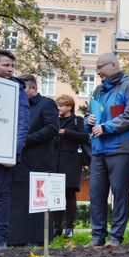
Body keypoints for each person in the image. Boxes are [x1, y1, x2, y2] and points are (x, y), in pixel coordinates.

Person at [85, 53, 129, 248]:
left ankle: (115, 238)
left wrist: (106, 127)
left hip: (120, 149)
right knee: (96, 194)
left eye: (100, 67)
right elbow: (90, 113)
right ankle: (97, 237)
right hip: (98, 149)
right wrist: (89, 120)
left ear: (113, 65)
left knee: (119, 194)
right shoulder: (98, 90)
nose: (98, 73)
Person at [10, 74, 59, 245]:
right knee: (19, 199)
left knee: (40, 202)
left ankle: (39, 239)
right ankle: (17, 238)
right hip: (21, 161)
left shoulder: (47, 104)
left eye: (22, 89)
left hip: (40, 161)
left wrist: (25, 139)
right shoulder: (17, 105)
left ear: (32, 88)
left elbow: (52, 128)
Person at [0, 50, 29, 250]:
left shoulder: (17, 90)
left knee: (1, 195)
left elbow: (22, 123)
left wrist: (13, 152)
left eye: (12, 66)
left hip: (3, 156)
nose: (10, 69)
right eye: (5, 65)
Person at [53, 94, 89, 238]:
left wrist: (65, 132)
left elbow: (85, 136)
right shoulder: (54, 120)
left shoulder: (77, 120)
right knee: (56, 194)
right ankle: (56, 227)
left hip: (71, 162)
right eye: (58, 105)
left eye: (61, 105)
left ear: (69, 106)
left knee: (69, 194)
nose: (59, 108)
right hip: (55, 162)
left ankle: (69, 227)